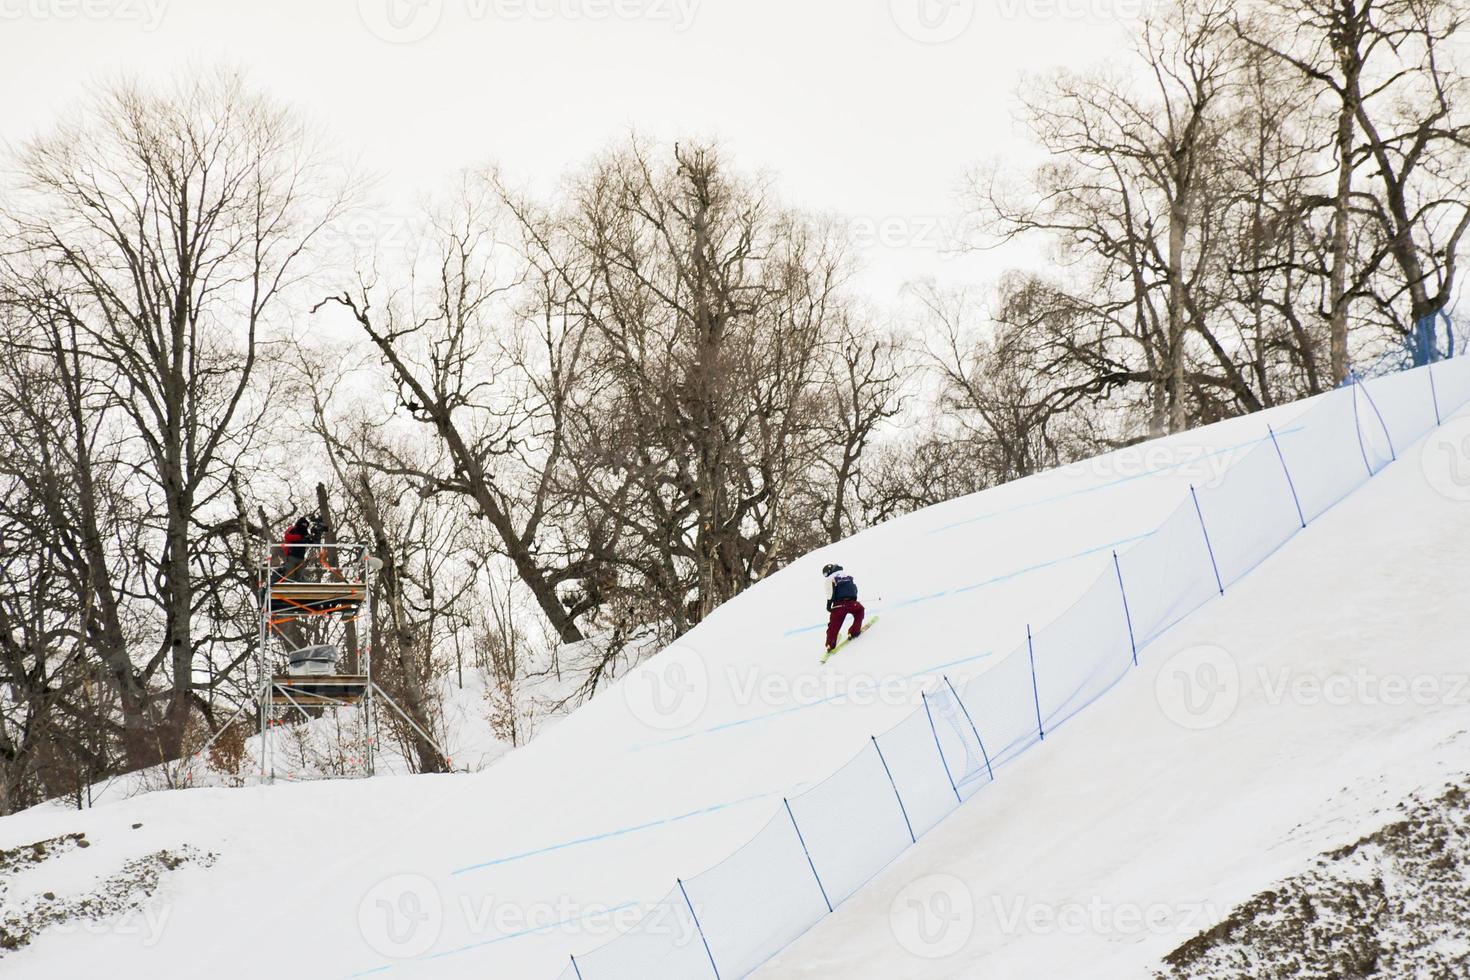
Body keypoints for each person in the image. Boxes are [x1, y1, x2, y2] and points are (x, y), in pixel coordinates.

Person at [822, 563, 864, 653]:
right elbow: (854, 589)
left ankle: (830, 643)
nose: (825, 576)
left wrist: (829, 605)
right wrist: (854, 600)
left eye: (825, 574)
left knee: (834, 624)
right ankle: (854, 631)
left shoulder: (830, 578)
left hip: (839, 605)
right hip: (852, 603)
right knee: (860, 611)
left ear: (829, 571)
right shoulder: (847, 576)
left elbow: (830, 592)